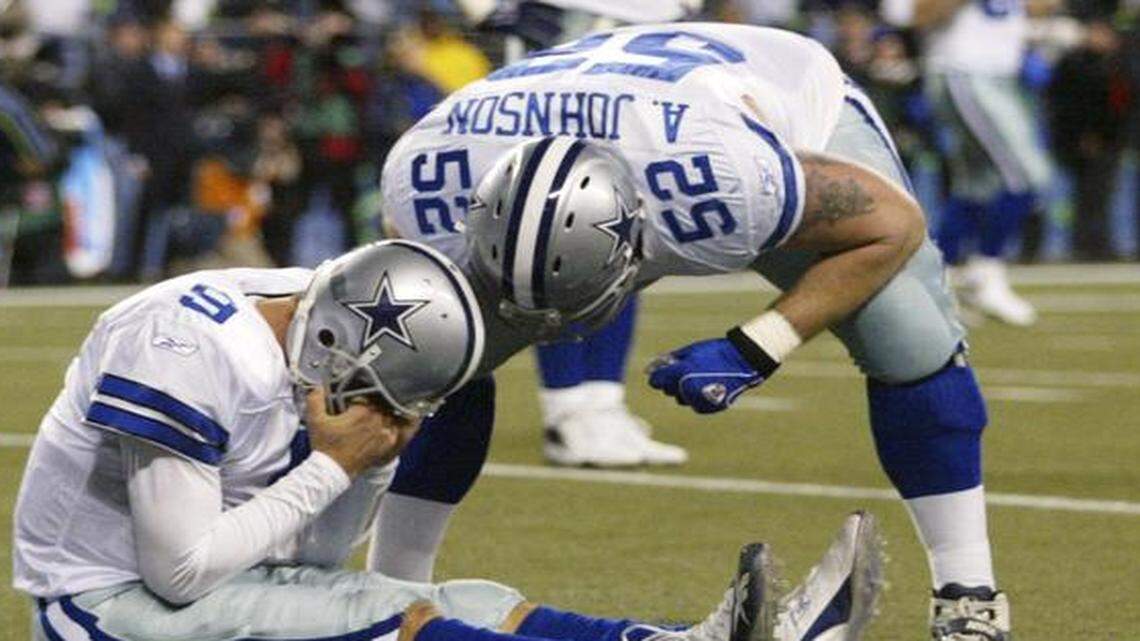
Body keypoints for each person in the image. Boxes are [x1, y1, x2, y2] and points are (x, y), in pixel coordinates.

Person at [379, 22, 1008, 641]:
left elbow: (893, 226)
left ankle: (967, 594)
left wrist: (758, 345)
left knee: (906, 332)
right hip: (583, 114)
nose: (557, 329)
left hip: (766, 90)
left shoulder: (722, 181)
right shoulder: (428, 176)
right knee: (434, 356)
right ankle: (390, 591)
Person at [12, 237, 881, 641]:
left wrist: (353, 471)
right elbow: (176, 571)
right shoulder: (182, 346)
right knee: (385, 608)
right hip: (103, 603)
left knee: (467, 596)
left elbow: (315, 557)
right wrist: (333, 463)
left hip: (213, 575)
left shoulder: (326, 310)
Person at [882, 0, 1055, 325]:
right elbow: (912, 16)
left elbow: (1040, 7)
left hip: (1002, 75)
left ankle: (933, 282)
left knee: (977, 186)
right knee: (1026, 177)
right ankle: (985, 272)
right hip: (965, 72)